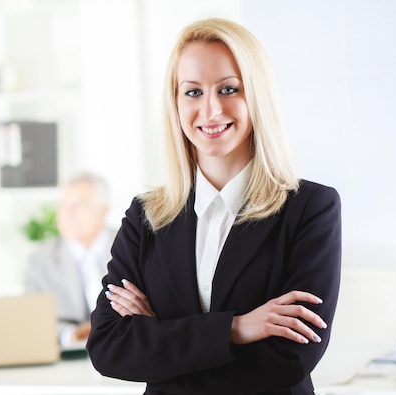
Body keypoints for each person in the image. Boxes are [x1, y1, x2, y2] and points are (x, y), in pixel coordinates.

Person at [86, 18, 342, 395]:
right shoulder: (146, 216)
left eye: (228, 89)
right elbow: (109, 348)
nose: (210, 110)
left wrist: (160, 336)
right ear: (175, 102)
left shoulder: (310, 209)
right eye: (192, 92)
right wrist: (238, 329)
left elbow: (287, 362)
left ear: (256, 96)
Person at [25, 172, 117, 348]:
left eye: (79, 205)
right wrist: (72, 334)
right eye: (63, 205)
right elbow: (32, 319)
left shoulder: (131, 247)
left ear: (104, 210)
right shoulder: (40, 260)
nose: (68, 214)